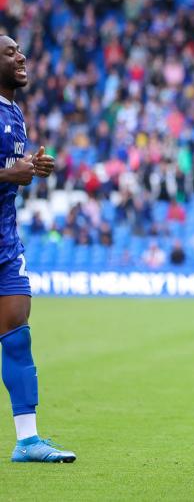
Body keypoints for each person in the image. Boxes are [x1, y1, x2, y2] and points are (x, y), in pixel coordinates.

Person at [0, 35, 75, 462]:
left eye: (20, 50)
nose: (21, 56)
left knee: (17, 337)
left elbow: (11, 171)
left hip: (6, 244)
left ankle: (27, 441)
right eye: (10, 53)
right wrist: (13, 175)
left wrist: (32, 167)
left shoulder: (14, 111)